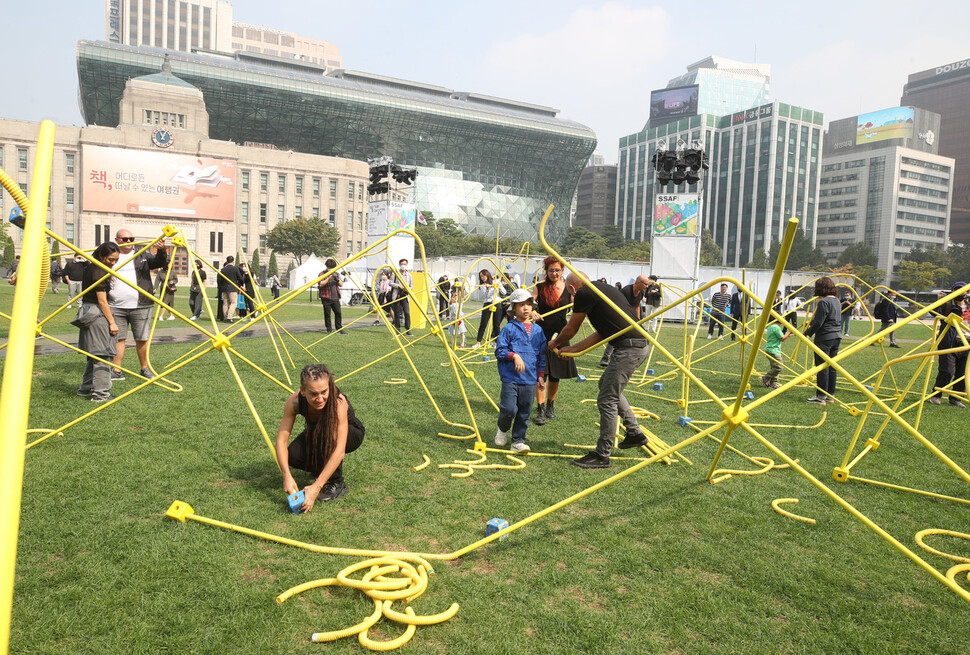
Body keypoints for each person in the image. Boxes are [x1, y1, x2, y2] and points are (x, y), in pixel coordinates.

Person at [551, 273, 649, 469]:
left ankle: (602, 455)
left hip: (629, 348)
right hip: (636, 345)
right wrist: (573, 349)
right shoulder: (606, 289)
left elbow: (571, 328)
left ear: (572, 288)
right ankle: (634, 433)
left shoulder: (584, 293)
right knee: (605, 386)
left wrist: (554, 343)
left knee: (607, 399)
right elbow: (602, 333)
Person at [275, 363, 365, 511]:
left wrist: (317, 487)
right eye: (313, 394)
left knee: (325, 435)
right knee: (293, 455)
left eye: (324, 392)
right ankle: (321, 468)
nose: (320, 398)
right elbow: (281, 441)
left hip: (351, 433)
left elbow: (339, 449)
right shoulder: (294, 402)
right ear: (303, 391)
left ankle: (337, 482)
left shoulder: (338, 402)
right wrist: (286, 476)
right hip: (319, 431)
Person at [109, 229, 167, 381]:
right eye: (125, 239)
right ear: (117, 240)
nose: (129, 241)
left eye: (131, 238)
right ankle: (116, 370)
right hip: (116, 305)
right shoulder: (111, 257)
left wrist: (161, 250)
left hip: (141, 305)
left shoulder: (142, 255)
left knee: (142, 338)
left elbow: (159, 262)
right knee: (118, 338)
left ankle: (145, 368)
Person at [494, 289, 546, 454]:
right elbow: (500, 351)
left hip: (530, 380)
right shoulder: (508, 329)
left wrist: (540, 375)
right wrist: (514, 355)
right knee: (509, 409)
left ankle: (518, 441)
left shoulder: (538, 331)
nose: (526, 308)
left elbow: (541, 355)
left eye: (529, 304)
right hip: (511, 378)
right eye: (521, 304)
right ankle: (503, 429)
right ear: (513, 308)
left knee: (524, 412)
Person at [531, 256, 578, 425]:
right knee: (541, 372)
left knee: (556, 374)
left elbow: (578, 305)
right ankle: (541, 408)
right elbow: (529, 303)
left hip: (561, 334)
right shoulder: (540, 287)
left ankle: (551, 404)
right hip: (541, 333)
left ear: (562, 270)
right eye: (551, 270)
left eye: (557, 270)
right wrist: (531, 312)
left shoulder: (568, 288)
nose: (554, 273)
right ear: (547, 271)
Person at [75, 242, 121, 402]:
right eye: (110, 259)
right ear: (101, 256)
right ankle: (101, 394)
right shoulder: (98, 271)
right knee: (103, 355)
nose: (113, 263)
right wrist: (112, 322)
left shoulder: (92, 266)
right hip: (96, 313)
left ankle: (85, 389)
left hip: (89, 310)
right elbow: (102, 301)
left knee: (93, 355)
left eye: (116, 260)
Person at [928, 282, 968, 408]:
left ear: (966, 292)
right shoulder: (947, 304)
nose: (960, 292)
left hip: (967, 343)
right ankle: (936, 395)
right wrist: (939, 300)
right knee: (947, 371)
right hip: (949, 343)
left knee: (963, 373)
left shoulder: (969, 306)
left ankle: (956, 398)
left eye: (962, 290)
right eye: (956, 290)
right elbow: (933, 312)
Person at [803, 276, 842, 404]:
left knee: (822, 367)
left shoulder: (824, 302)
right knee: (831, 366)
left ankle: (820, 397)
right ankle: (830, 395)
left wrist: (807, 333)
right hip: (836, 336)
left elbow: (819, 323)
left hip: (825, 337)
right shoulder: (836, 301)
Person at [600, 274, 649, 367]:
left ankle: (619, 358)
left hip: (628, 316)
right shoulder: (626, 291)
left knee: (627, 337)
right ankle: (605, 358)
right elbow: (618, 305)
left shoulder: (641, 292)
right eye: (645, 284)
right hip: (618, 314)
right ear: (638, 283)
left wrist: (637, 320)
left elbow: (637, 306)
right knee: (616, 336)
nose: (647, 286)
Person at [760, 316, 791, 389]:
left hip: (771, 349)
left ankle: (773, 383)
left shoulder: (770, 327)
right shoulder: (776, 328)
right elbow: (782, 338)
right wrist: (789, 333)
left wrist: (788, 334)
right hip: (773, 350)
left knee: (774, 367)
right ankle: (765, 378)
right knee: (779, 367)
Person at [472, 269, 501, 348]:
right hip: (487, 304)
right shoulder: (482, 286)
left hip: (497, 303)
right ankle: (478, 342)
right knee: (483, 324)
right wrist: (488, 289)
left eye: (483, 275)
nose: (482, 277)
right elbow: (487, 296)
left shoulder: (496, 282)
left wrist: (499, 287)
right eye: (481, 276)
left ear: (487, 275)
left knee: (496, 325)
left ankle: (497, 343)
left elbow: (504, 292)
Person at [317, 257, 343, 333]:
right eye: (329, 267)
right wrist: (328, 278)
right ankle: (329, 330)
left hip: (335, 297)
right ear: (327, 266)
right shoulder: (322, 274)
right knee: (327, 314)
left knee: (338, 313)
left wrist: (336, 279)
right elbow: (321, 284)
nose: (331, 269)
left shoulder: (336, 273)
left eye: (332, 268)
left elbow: (341, 284)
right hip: (326, 297)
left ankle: (339, 329)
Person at [390, 258, 414, 336]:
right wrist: (398, 286)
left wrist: (407, 288)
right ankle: (397, 329)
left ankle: (408, 329)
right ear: (400, 265)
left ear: (407, 265)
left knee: (407, 312)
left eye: (405, 264)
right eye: (402, 264)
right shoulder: (395, 273)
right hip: (397, 295)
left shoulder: (409, 275)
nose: (403, 266)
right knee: (397, 313)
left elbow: (412, 286)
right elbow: (390, 283)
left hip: (405, 295)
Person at [219, 256, 244, 322]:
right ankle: (229, 317)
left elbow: (220, 279)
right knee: (234, 303)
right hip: (232, 288)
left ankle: (225, 316)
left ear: (227, 261)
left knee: (225, 303)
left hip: (224, 288)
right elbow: (240, 278)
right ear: (233, 261)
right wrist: (240, 284)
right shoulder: (235, 269)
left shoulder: (223, 269)